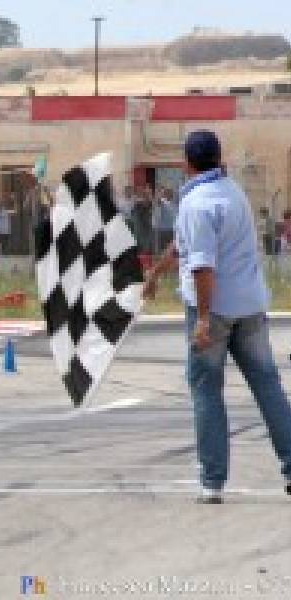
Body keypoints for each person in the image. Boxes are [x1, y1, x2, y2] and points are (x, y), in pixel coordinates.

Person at [144, 130, 291, 504]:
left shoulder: (197, 204)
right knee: (267, 386)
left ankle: (212, 480)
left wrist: (205, 320)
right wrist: (159, 270)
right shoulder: (233, 192)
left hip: (216, 309)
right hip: (251, 305)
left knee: (207, 391)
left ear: (187, 163)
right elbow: (185, 242)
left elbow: (203, 265)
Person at [152, 187, 178, 252]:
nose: (170, 194)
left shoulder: (175, 203)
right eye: (166, 192)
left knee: (171, 251)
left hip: (172, 230)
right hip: (161, 230)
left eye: (170, 193)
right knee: (162, 250)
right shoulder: (160, 202)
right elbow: (157, 216)